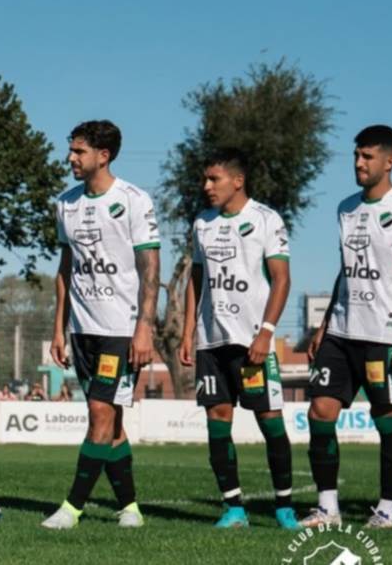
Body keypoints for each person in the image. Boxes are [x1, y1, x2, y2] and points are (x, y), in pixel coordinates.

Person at [44, 120, 159, 530]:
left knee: (98, 412)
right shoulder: (65, 204)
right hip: (81, 329)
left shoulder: (133, 200)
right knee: (112, 420)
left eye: (79, 151)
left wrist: (144, 327)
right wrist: (58, 328)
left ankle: (71, 508)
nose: (70, 158)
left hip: (119, 328)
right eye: (71, 150)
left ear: (103, 155)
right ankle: (130, 507)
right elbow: (65, 269)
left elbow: (150, 268)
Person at [177, 149, 296, 529]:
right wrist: (187, 329)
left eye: (214, 179)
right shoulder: (202, 223)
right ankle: (233, 508)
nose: (206, 186)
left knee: (268, 418)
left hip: (251, 341)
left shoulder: (265, 220)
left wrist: (266, 332)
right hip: (212, 341)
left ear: (238, 181)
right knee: (217, 418)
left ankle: (284, 507)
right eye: (205, 179)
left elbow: (281, 279)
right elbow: (196, 279)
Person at [300, 126, 392, 530]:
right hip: (341, 332)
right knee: (320, 411)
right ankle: (327, 508)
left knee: (386, 417)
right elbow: (345, 270)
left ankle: (386, 510)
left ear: (389, 161)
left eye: (367, 156)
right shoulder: (345, 208)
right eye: (356, 155)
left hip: (383, 334)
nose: (358, 163)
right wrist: (325, 322)